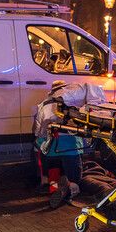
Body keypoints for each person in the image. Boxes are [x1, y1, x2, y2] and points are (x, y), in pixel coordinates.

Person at [33, 80, 83, 208]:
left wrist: (40, 142)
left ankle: (54, 190)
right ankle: (70, 191)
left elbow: (39, 128)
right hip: (70, 145)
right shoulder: (74, 102)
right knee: (74, 174)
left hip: (52, 146)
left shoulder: (43, 104)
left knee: (53, 171)